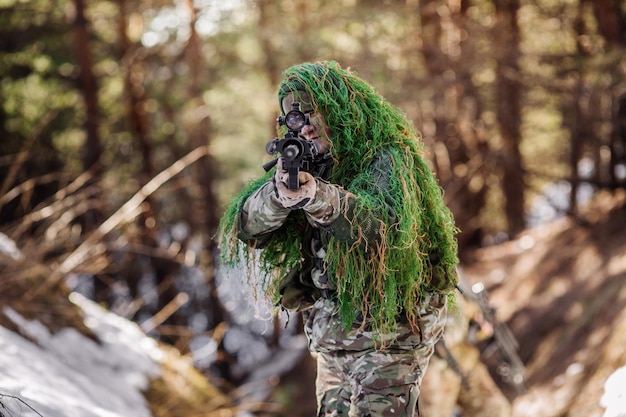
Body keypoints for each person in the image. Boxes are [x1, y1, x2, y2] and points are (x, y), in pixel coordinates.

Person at [219, 61, 459, 417]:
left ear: (338, 109)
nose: (306, 127)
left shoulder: (389, 158)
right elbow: (250, 230)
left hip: (388, 337)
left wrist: (318, 196)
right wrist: (278, 196)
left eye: (312, 113)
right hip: (333, 339)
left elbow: (383, 235)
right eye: (294, 118)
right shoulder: (307, 162)